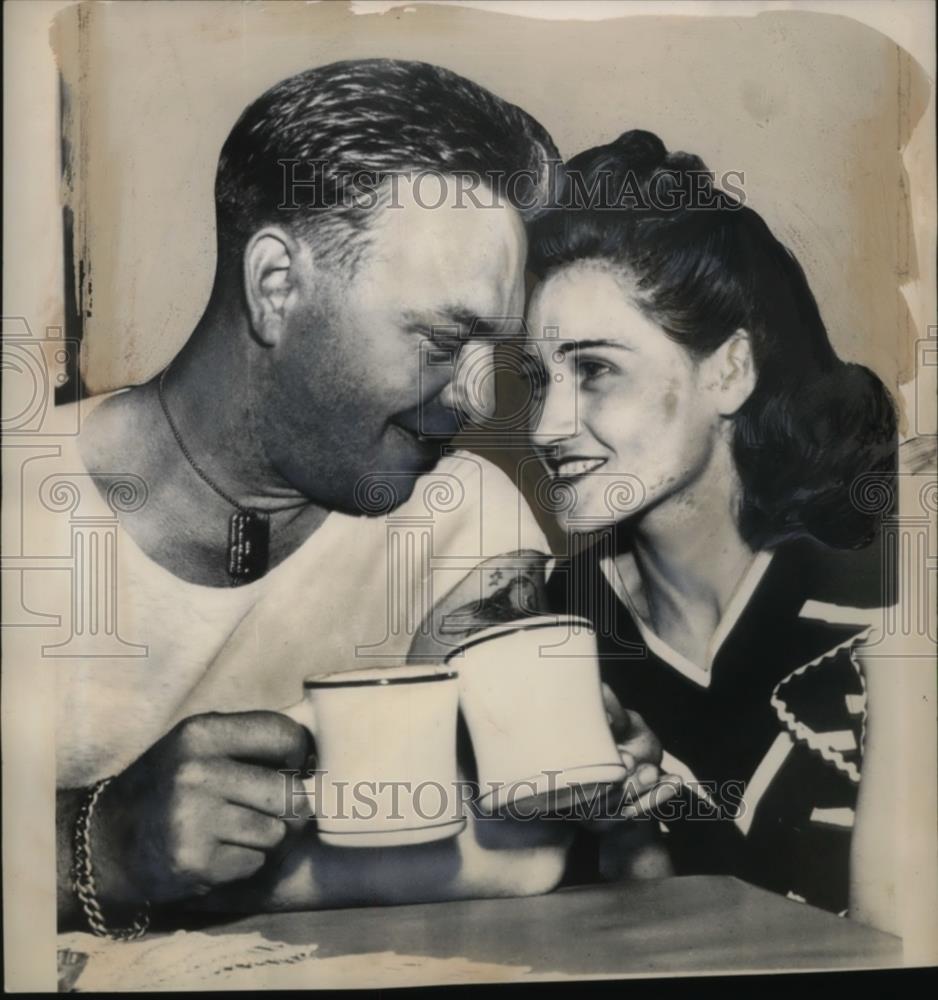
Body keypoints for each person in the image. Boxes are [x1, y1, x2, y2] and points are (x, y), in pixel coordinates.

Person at [45, 58, 591, 935]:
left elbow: (525, 852)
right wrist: (93, 841)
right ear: (277, 286)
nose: (483, 401)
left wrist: (122, 874)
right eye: (446, 338)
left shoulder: (466, 512)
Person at [525, 129, 900, 917]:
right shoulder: (548, 630)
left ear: (728, 370)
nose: (545, 426)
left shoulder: (887, 591)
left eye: (594, 369)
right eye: (539, 379)